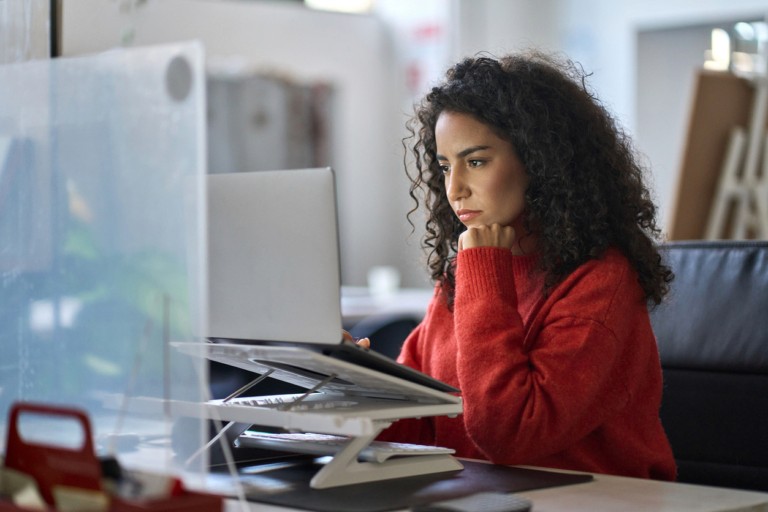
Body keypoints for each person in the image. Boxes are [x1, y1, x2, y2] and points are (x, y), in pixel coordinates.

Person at [375, 50, 677, 481]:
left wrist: (483, 272)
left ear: (539, 163)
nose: (454, 188)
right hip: (480, 494)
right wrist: (349, 384)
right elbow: (418, 423)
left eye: (476, 161)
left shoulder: (602, 281)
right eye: (445, 166)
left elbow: (510, 433)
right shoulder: (463, 278)